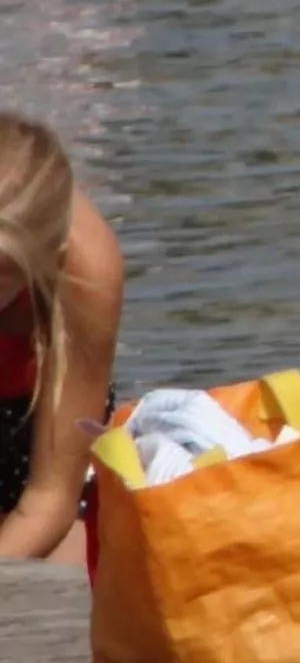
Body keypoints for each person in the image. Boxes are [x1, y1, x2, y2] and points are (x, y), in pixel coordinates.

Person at [0, 112, 124, 564]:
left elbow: (48, 501)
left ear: (46, 259)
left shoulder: (87, 272)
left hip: (34, 426)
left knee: (61, 580)